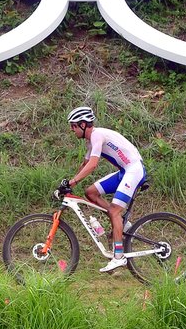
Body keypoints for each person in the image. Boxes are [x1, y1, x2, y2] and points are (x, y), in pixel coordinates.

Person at [62, 106, 147, 273]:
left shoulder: (97, 135)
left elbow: (93, 165)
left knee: (114, 211)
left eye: (73, 126)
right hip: (125, 171)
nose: (72, 130)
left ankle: (118, 257)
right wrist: (69, 182)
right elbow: (85, 164)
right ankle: (122, 223)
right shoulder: (91, 141)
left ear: (83, 124)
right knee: (90, 193)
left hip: (134, 170)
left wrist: (73, 182)